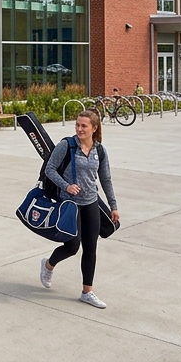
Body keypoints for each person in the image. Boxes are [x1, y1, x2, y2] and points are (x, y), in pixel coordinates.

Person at [39, 110, 120, 309]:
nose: (79, 129)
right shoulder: (66, 145)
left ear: (94, 128)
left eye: (84, 126)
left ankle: (87, 292)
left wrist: (113, 205)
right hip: (69, 205)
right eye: (77, 125)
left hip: (91, 203)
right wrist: (66, 185)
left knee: (91, 248)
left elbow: (105, 178)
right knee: (72, 247)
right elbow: (50, 169)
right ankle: (49, 264)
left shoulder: (99, 150)